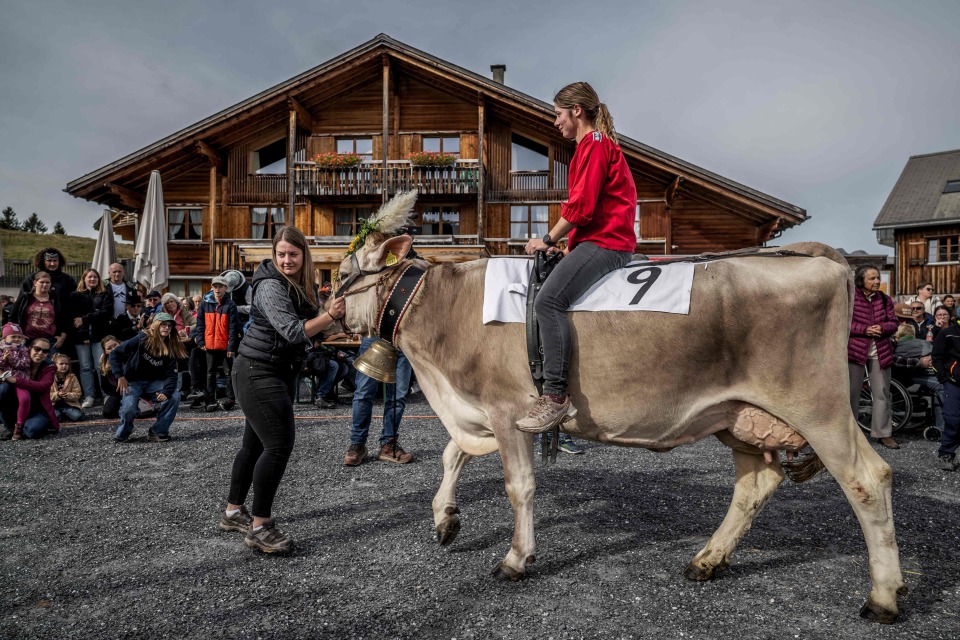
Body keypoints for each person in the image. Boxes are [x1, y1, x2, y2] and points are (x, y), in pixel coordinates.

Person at [515, 81, 637, 433]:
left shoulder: (594, 145)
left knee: (547, 303)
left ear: (576, 111)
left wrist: (546, 238)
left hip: (609, 243)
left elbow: (581, 206)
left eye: (558, 114)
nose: (556, 122)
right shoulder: (594, 146)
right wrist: (566, 247)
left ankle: (554, 397)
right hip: (597, 240)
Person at [221, 226, 345, 554]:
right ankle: (260, 527)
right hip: (257, 370)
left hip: (275, 369)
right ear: (274, 256)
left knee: (254, 445)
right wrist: (329, 316)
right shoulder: (271, 285)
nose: (287, 260)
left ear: (304, 255)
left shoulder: (302, 286)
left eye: (293, 254)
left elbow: (310, 331)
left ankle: (234, 512)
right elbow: (292, 331)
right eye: (281, 254)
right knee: (277, 445)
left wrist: (337, 323)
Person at [108, 313, 185, 443]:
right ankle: (125, 430)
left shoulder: (171, 346)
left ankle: (158, 431)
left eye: (169, 326)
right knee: (129, 408)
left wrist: (166, 392)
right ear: (155, 325)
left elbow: (172, 375)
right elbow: (115, 353)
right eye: (163, 325)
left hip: (155, 383)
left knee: (174, 396)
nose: (167, 328)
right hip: (133, 381)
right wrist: (120, 376)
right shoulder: (142, 338)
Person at [848, 264, 900, 449]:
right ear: (861, 280)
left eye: (878, 277)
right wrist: (864, 329)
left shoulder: (885, 300)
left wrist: (883, 328)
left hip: (880, 351)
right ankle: (851, 435)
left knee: (882, 393)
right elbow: (842, 324)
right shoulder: (850, 299)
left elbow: (894, 323)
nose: (877, 281)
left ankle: (883, 434)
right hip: (854, 352)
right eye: (872, 278)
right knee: (851, 394)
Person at [344, 344, 415, 466]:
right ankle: (357, 444)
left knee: (398, 396)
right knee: (363, 393)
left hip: (403, 339)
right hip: (374, 336)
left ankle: (388, 444)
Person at [192, 276, 240, 412]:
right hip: (210, 345)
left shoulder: (230, 305)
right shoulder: (204, 304)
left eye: (220, 286)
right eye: (215, 286)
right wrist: (200, 340)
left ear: (226, 288)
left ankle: (231, 399)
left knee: (229, 373)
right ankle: (210, 400)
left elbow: (233, 327)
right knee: (210, 373)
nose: (217, 289)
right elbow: (200, 324)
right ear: (212, 287)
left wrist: (231, 347)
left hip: (225, 345)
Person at [69, 268, 113, 407]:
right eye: (89, 277)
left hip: (99, 336)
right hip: (81, 337)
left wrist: (85, 318)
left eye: (95, 277)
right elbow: (73, 318)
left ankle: (106, 394)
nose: (92, 279)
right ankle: (89, 396)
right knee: (85, 367)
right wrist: (84, 331)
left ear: (99, 279)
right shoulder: (75, 296)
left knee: (101, 366)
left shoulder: (105, 294)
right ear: (84, 279)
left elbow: (106, 313)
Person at [0, 338, 59, 440]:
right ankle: (9, 426)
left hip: (36, 408)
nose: (40, 353)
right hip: (15, 404)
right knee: (3, 389)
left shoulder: (50, 366)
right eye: (37, 349)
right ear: (29, 349)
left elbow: (43, 386)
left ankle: (21, 427)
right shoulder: (18, 361)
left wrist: (16, 380)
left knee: (32, 431)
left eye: (45, 351)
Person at [892, 324, 943, 435]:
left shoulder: (897, 346)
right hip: (916, 376)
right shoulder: (924, 343)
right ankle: (942, 427)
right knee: (941, 387)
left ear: (898, 335)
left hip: (900, 378)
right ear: (913, 334)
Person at [10, 271, 68, 355]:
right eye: (42, 282)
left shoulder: (56, 299)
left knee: (51, 364)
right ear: (35, 283)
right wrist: (17, 335)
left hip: (49, 340)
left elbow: (65, 318)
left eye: (47, 282)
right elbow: (13, 317)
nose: (45, 285)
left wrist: (63, 335)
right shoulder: (25, 298)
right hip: (27, 339)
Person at [932, 313, 960, 471]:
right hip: (954, 383)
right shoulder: (947, 332)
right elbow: (936, 357)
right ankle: (946, 454)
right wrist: (944, 378)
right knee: (953, 418)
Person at [159, 293, 197, 397]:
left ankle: (188, 388)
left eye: (172, 301)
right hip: (168, 344)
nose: (170, 304)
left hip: (183, 343)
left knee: (191, 358)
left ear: (176, 302)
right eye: (167, 303)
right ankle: (173, 388)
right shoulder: (162, 314)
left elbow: (195, 323)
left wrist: (186, 330)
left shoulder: (183, 312)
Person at [0, 323, 34, 437]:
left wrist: (12, 359)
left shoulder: (24, 349)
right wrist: (4, 360)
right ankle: (8, 425)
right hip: (4, 380)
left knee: (25, 399)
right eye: (13, 336)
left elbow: (25, 364)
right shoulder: (1, 348)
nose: (17, 339)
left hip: (20, 380)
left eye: (19, 337)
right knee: (2, 394)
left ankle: (19, 426)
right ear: (5, 337)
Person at [50, 353, 85, 423]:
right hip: (53, 405)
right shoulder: (49, 378)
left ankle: (64, 414)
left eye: (66, 364)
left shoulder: (72, 377)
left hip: (69, 405)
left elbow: (78, 393)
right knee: (55, 417)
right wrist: (57, 395)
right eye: (61, 364)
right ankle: (62, 415)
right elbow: (46, 395)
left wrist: (67, 395)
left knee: (78, 416)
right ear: (54, 365)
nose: (64, 366)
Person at [98, 335, 122, 420]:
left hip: (134, 391)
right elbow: (105, 387)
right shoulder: (104, 365)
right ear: (105, 351)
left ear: (119, 343)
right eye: (109, 348)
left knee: (140, 412)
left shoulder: (130, 356)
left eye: (115, 345)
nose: (113, 349)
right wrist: (118, 393)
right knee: (107, 413)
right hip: (116, 393)